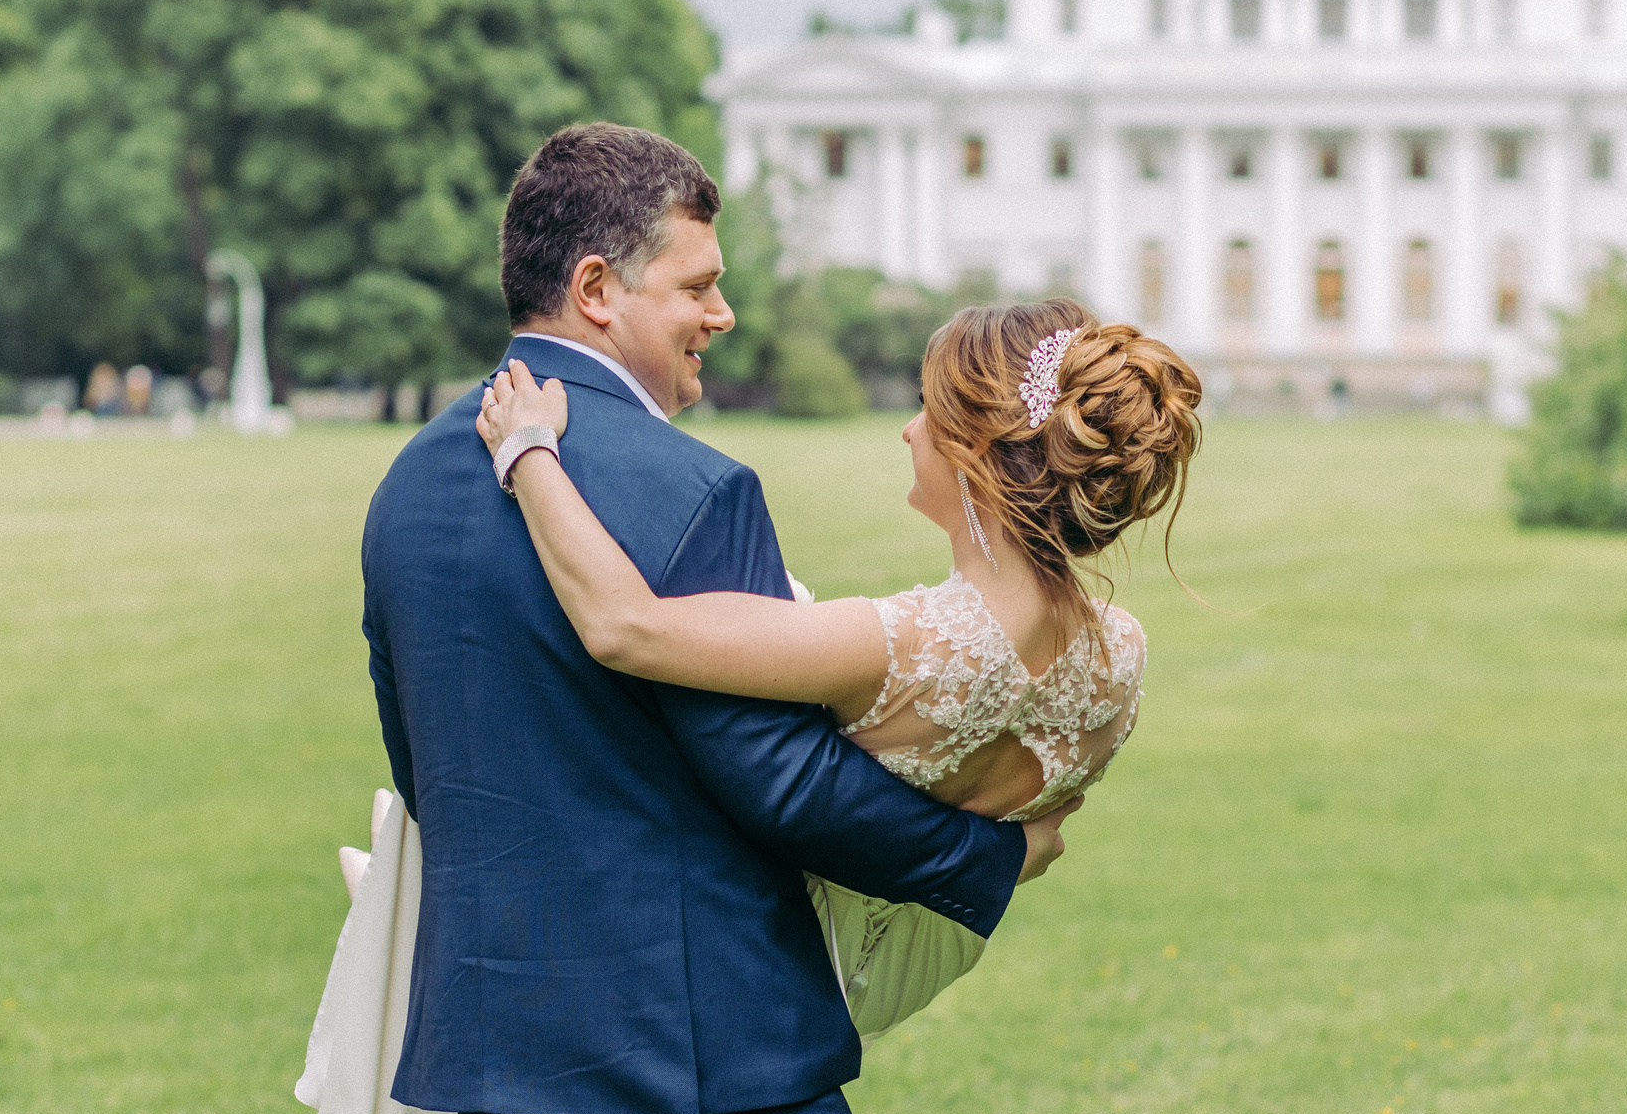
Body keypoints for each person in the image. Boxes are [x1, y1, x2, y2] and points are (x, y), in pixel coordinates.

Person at [359, 122, 1075, 1114]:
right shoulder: (692, 487)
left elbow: (431, 769)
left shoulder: (413, 488)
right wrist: (986, 853)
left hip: (503, 1048)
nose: (724, 312)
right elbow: (783, 781)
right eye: (702, 282)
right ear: (602, 284)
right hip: (702, 1060)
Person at [471, 296, 1200, 1036]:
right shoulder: (1120, 658)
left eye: (926, 407)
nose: (908, 427)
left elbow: (624, 626)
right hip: (892, 978)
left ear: (975, 449)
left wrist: (528, 451)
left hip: (757, 973)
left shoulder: (908, 644)